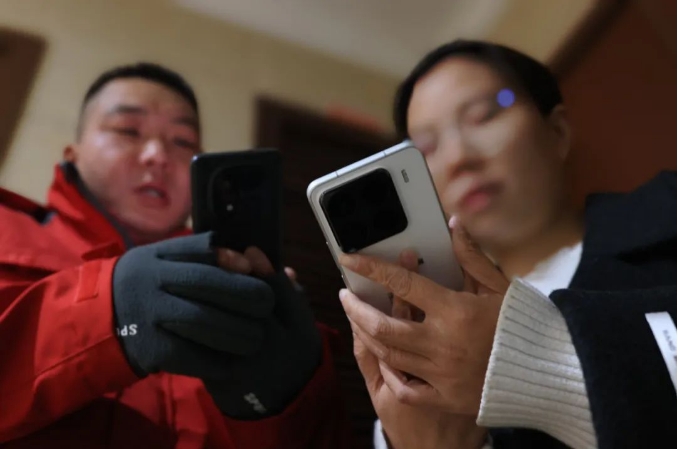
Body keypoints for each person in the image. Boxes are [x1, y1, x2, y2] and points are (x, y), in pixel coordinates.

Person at [337, 40, 676, 449]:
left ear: (557, 132)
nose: (458, 157)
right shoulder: (429, 358)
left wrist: (528, 362)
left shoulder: (668, 210)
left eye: (485, 115)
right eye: (424, 149)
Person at [0, 63, 351, 448]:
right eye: (127, 130)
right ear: (73, 153)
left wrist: (284, 405)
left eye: (182, 142)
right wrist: (106, 314)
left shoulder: (238, 287)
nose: (158, 155)